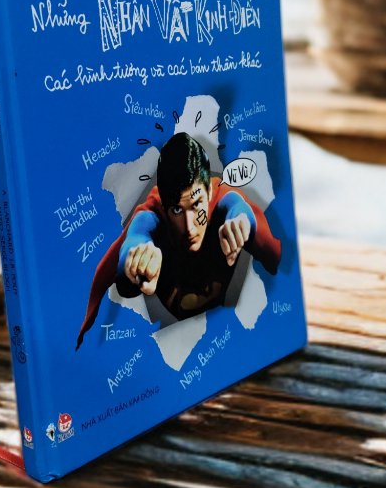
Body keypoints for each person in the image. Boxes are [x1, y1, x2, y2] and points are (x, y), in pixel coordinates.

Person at [77, 133, 281, 347]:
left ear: (209, 192)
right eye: (176, 210)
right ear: (165, 206)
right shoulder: (151, 215)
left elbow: (236, 206)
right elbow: (135, 236)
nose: (190, 227)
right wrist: (136, 258)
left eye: (196, 205)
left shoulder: (223, 198)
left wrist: (243, 222)